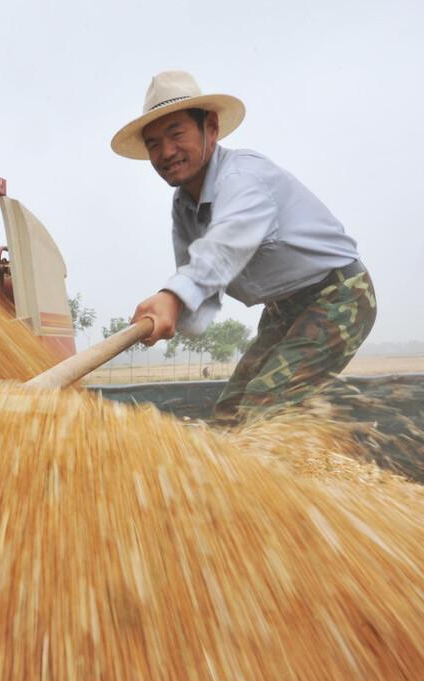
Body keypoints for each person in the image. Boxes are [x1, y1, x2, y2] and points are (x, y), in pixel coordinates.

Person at [111, 70, 376, 422]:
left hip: (338, 295)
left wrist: (171, 298)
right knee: (228, 417)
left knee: (262, 411)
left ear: (211, 129)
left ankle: (288, 472)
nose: (166, 152)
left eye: (176, 135)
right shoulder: (183, 206)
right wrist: (166, 319)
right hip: (283, 309)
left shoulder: (242, 179)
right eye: (154, 144)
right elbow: (197, 283)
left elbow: (223, 251)